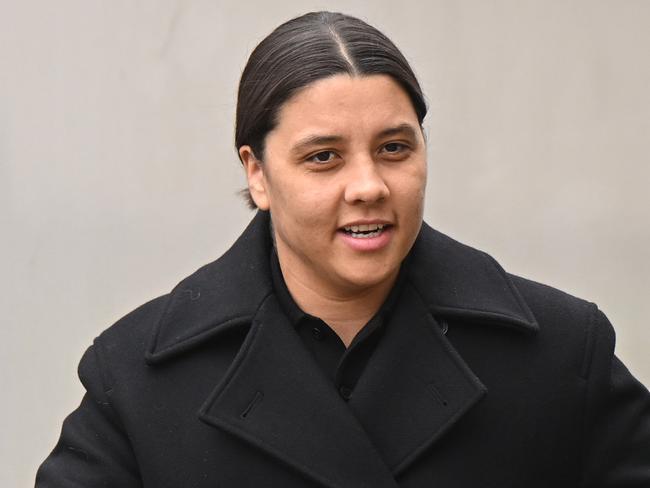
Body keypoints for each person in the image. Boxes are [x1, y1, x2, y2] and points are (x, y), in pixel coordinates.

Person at [36, 11, 650, 488]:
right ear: (257, 173)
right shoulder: (139, 380)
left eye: (394, 148)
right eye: (323, 157)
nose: (369, 187)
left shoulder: (563, 354)